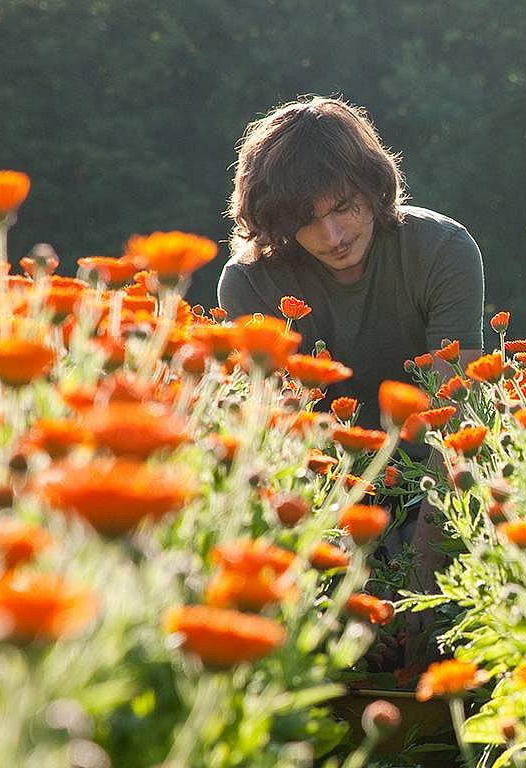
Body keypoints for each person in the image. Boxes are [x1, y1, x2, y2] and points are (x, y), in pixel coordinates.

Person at [217, 95, 482, 681]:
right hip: (324, 496)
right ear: (277, 226)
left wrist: (419, 594)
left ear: (374, 186)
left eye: (343, 207)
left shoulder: (442, 250)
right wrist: (342, 592)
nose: (333, 234)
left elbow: (453, 430)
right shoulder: (250, 284)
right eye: (307, 221)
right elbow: (283, 447)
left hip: (435, 489)